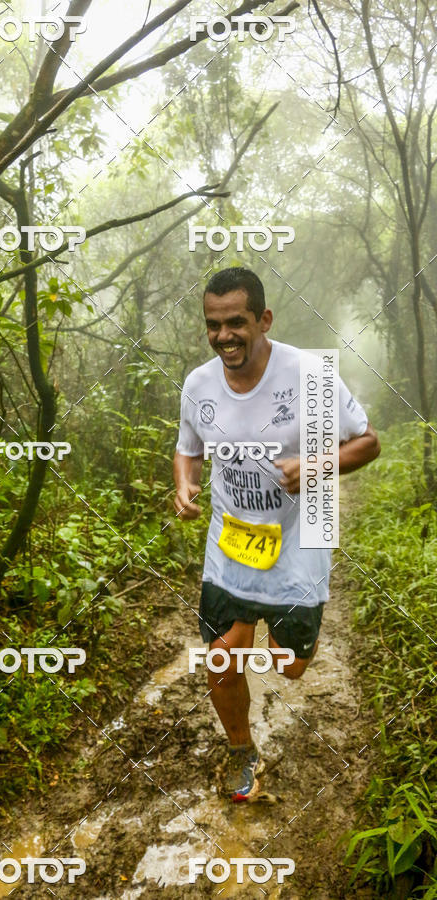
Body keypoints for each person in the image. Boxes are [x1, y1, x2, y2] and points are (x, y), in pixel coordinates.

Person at [173, 267, 380, 802]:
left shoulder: (310, 376)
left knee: (290, 668)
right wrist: (185, 485)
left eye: (236, 323)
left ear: (263, 319)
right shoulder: (198, 385)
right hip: (233, 543)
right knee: (222, 659)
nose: (224, 337)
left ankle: (272, 623)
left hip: (300, 539)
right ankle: (242, 751)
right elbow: (188, 448)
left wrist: (315, 467)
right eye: (213, 326)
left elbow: (367, 443)